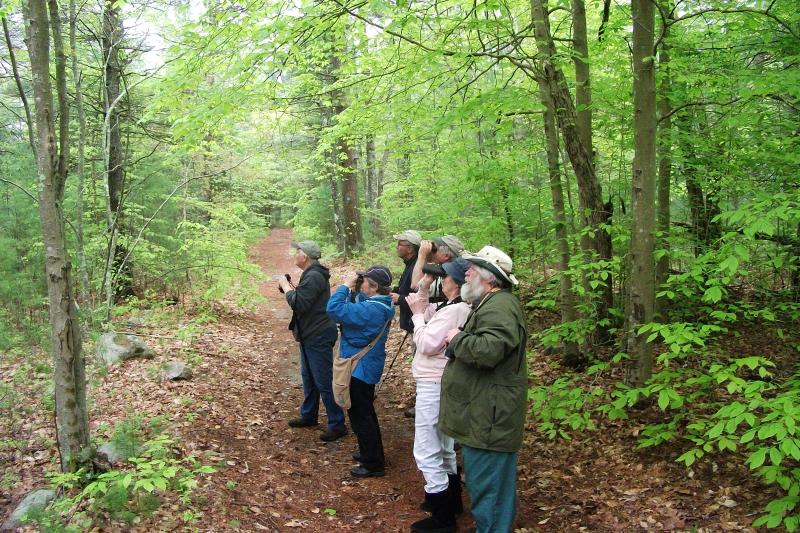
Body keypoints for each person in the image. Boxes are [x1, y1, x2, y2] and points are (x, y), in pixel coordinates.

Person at [440, 246, 528, 533]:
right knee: (486, 486)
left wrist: (456, 339)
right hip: (484, 415)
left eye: (472, 269)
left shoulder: (500, 305)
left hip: (489, 420)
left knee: (489, 489)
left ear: (489, 278)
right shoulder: (491, 303)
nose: (465, 272)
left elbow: (489, 350)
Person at [405, 258, 472, 533]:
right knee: (443, 445)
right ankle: (451, 502)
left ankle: (441, 516)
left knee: (426, 446)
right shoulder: (455, 307)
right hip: (443, 382)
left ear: (455, 282)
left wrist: (419, 316)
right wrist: (425, 285)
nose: (441, 280)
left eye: (444, 276)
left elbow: (426, 342)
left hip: (433, 383)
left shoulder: (454, 311)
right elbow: (419, 302)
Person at [327, 265, 395, 478]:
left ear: (373, 287)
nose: (360, 283)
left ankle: (373, 464)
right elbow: (357, 305)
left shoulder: (373, 310)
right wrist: (355, 288)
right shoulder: (380, 303)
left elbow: (334, 308)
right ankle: (371, 453)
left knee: (361, 415)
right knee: (364, 412)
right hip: (365, 366)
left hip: (360, 368)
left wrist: (345, 286)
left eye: (364, 281)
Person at [278, 241, 347, 442]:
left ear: (305, 256)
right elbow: (305, 297)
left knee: (323, 379)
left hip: (317, 334)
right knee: (308, 376)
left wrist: (286, 287)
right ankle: (309, 415)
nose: (295, 253)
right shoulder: (312, 274)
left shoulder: (315, 275)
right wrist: (292, 288)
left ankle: (337, 423)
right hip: (310, 333)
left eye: (297, 251)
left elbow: (299, 303)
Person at [405, 234, 465, 420]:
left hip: (436, 373)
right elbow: (419, 292)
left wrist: (422, 255)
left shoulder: (457, 305)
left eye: (435, 249)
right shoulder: (444, 278)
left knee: (429, 436)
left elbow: (427, 345)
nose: (432, 251)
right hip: (436, 362)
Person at [390, 230, 422, 336]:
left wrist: (399, 298)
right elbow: (407, 289)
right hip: (413, 323)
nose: (396, 247)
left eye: (400, 244)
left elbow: (422, 297)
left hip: (418, 325)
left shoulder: (417, 267)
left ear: (410, 249)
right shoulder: (410, 264)